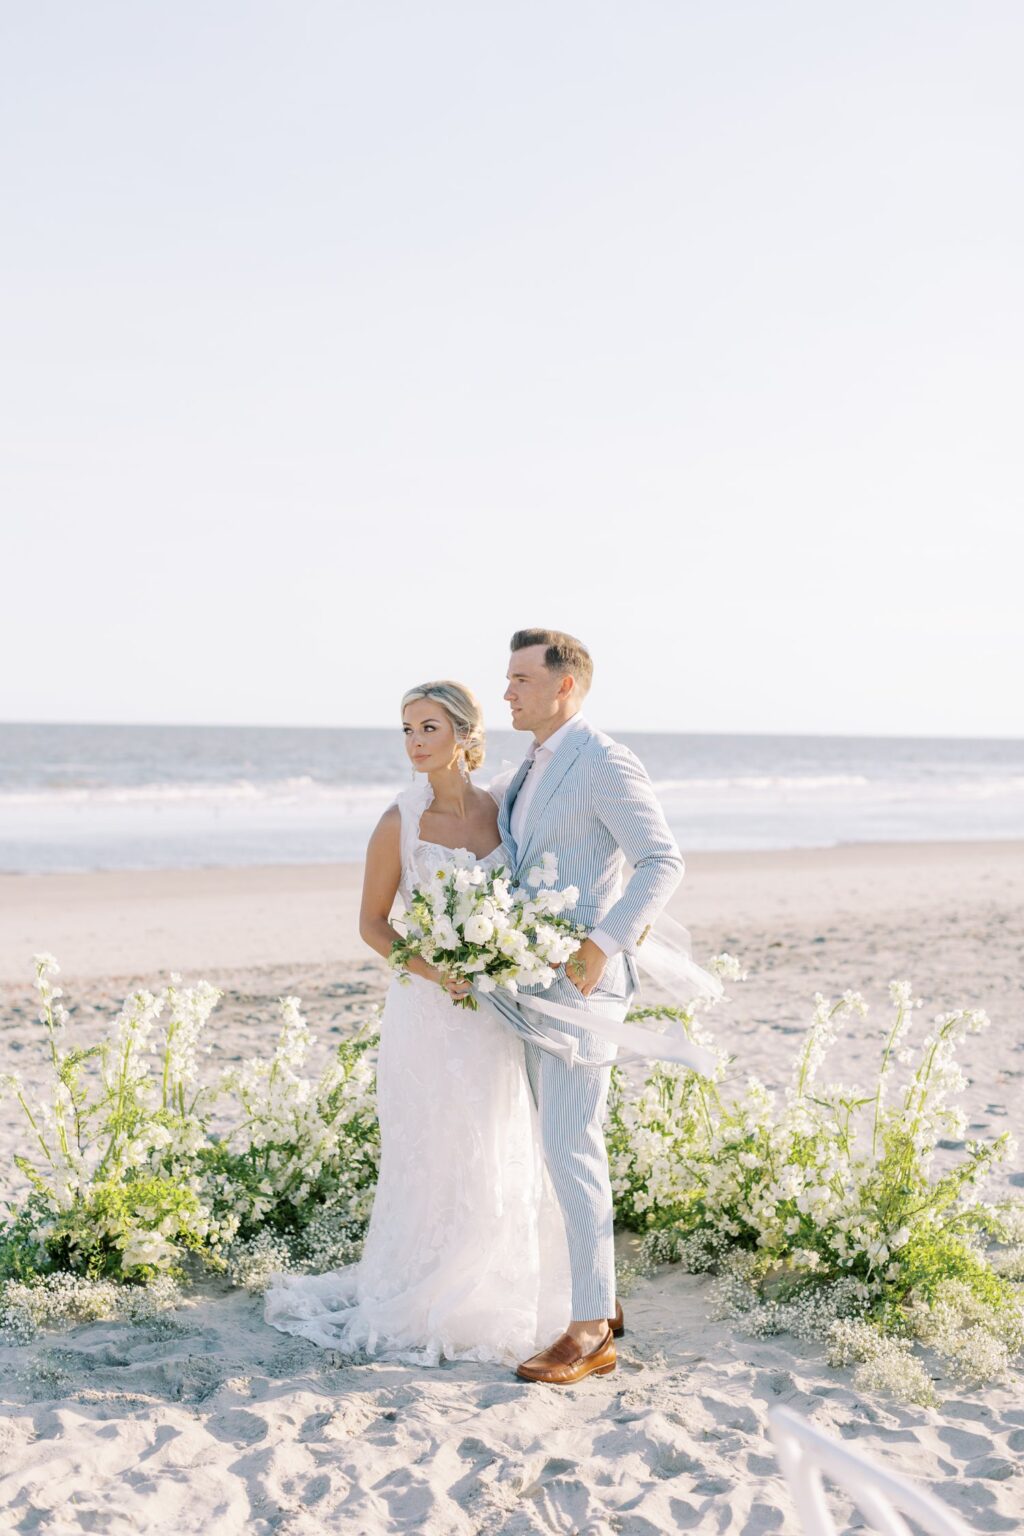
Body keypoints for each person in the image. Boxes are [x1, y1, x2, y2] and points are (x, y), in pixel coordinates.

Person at [263, 680, 573, 1365]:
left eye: (427, 727)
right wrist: (441, 971)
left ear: (465, 735)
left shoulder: (504, 810)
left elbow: (528, 895)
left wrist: (507, 952)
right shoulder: (397, 823)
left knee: (497, 1142)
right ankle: (424, 1289)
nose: (413, 742)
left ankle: (495, 1283)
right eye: (406, 729)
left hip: (495, 1013)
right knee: (435, 1149)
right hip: (428, 1014)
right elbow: (373, 926)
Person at [495, 627, 685, 1385]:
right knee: (559, 1148)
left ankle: (589, 1334)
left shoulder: (601, 759)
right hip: (534, 985)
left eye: (519, 679)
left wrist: (602, 944)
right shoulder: (533, 764)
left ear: (563, 685)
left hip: (583, 989)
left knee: (574, 1150)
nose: (506, 691)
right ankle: (600, 1303)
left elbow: (662, 860)